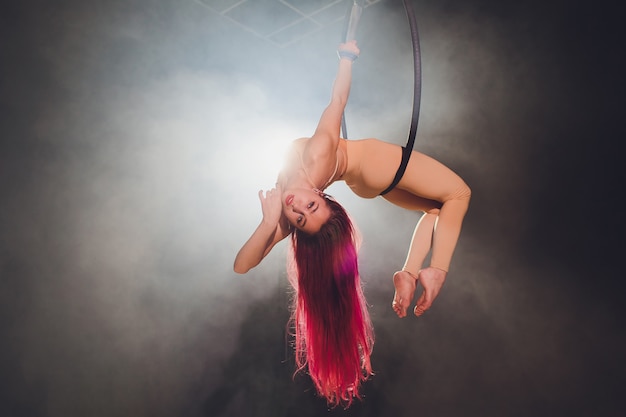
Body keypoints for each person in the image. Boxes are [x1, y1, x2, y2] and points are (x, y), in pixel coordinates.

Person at [233, 40, 471, 407]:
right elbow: (336, 102)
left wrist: (273, 221)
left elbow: (242, 264)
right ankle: (437, 271)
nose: (297, 206)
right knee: (458, 193)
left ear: (322, 195)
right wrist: (347, 56)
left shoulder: (295, 193)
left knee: (437, 212)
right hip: (372, 164)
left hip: (363, 180)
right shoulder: (315, 160)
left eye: (303, 211)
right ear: (325, 196)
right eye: (304, 213)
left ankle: (409, 273)